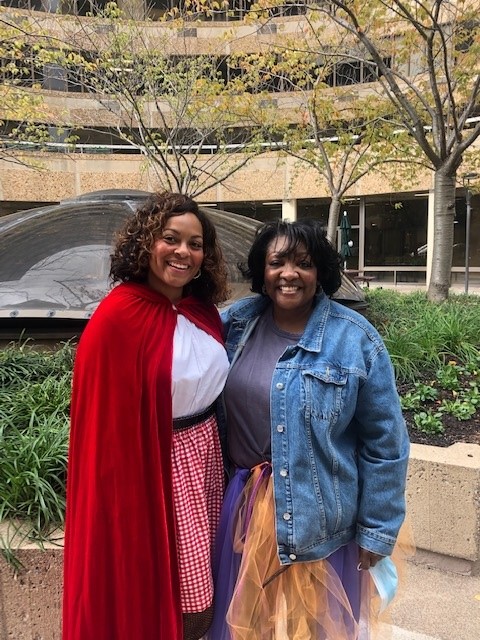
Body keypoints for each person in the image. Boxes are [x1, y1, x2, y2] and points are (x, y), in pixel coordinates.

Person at [211, 219, 410, 639]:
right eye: (277, 262)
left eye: (303, 263)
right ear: (262, 272)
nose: (289, 273)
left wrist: (378, 529)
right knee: (248, 626)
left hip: (319, 514)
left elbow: (386, 443)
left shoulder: (355, 340)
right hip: (243, 506)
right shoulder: (234, 325)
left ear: (319, 271)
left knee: (317, 629)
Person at [62, 191, 230, 640]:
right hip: (154, 465)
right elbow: (105, 428)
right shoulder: (117, 318)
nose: (183, 252)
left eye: (195, 244)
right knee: (185, 602)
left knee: (212, 588)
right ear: (145, 243)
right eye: (170, 238)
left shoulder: (202, 311)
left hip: (207, 459)